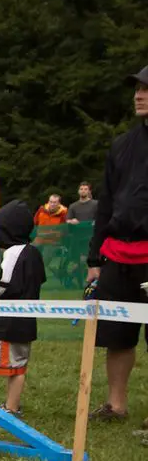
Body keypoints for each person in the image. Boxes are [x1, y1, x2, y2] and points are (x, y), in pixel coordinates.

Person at [84, 65, 148, 425]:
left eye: (146, 89)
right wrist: (96, 256)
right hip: (118, 254)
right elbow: (106, 203)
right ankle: (116, 405)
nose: (139, 95)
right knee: (117, 332)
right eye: (137, 88)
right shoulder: (122, 145)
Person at [0, 200, 46, 416]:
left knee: (14, 366)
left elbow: (4, 284)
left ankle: (11, 407)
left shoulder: (12, 253)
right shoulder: (34, 252)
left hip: (9, 320)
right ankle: (12, 405)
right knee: (19, 363)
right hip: (28, 318)